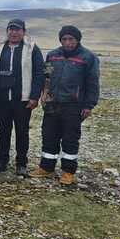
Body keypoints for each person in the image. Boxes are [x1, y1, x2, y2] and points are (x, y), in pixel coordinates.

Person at [30, 25, 100, 185]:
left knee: (70, 138)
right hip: (52, 103)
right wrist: (44, 93)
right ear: (60, 40)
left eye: (71, 39)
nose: (67, 42)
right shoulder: (53, 55)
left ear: (77, 40)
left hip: (73, 105)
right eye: (64, 39)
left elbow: (93, 83)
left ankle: (68, 171)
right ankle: (46, 167)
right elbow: (46, 76)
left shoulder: (88, 58)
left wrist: (89, 105)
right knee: (49, 136)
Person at [0, 19, 44, 176]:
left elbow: (39, 73)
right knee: (4, 131)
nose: (14, 32)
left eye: (17, 30)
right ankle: (1, 162)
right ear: (7, 31)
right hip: (2, 98)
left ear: (23, 32)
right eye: (11, 29)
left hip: (22, 99)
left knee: (22, 131)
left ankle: (21, 164)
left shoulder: (32, 49)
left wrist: (34, 96)